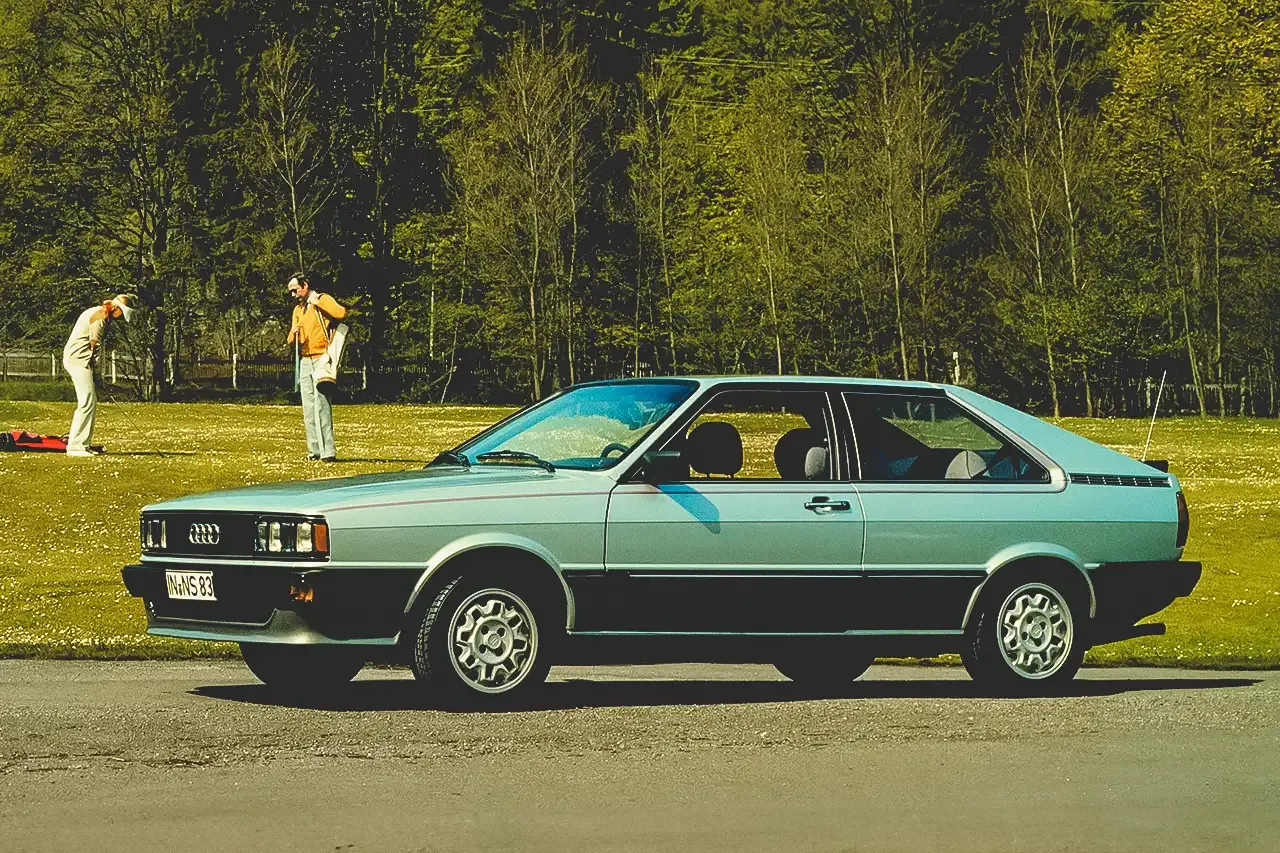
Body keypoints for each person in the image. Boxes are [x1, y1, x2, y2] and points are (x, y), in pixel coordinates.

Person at [62, 294, 134, 457]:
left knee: (90, 401)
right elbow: (94, 346)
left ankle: (83, 444)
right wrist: (98, 375)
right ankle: (75, 447)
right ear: (116, 309)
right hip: (78, 360)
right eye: (121, 314)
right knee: (86, 401)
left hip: (80, 360)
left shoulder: (103, 314)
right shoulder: (100, 316)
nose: (121, 318)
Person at [285, 273, 346, 462]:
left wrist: (317, 302)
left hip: (322, 358)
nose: (293, 295)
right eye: (291, 292)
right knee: (308, 407)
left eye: (295, 290)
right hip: (305, 360)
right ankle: (314, 450)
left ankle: (328, 451)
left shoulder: (322, 299)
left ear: (305, 285)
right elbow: (292, 340)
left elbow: (341, 313)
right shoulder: (297, 310)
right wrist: (292, 334)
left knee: (322, 405)